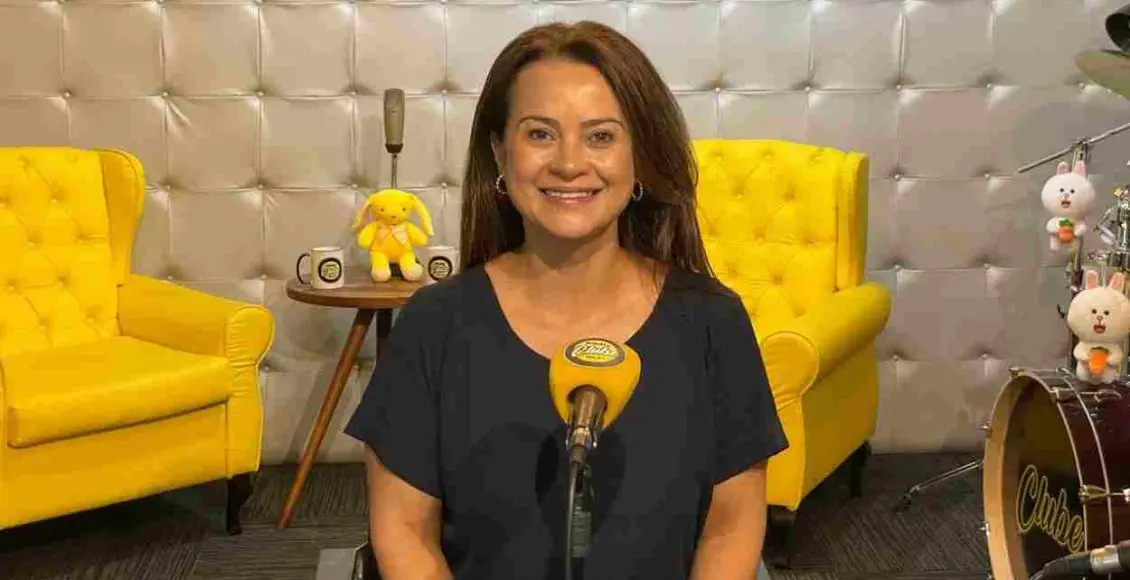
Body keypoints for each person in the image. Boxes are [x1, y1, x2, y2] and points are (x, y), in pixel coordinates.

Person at [344, 19, 788, 580]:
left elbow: (730, 527)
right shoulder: (434, 325)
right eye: (540, 134)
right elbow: (405, 534)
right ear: (500, 152)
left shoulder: (711, 322)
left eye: (601, 136)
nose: (570, 163)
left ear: (639, 156)